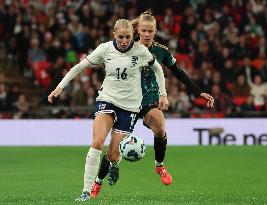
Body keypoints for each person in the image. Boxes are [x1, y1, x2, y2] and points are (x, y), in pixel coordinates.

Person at [90, 11, 214, 198]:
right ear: (137, 31)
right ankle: (98, 182)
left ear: (155, 31)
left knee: (160, 126)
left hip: (149, 100)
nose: (147, 34)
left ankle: (159, 166)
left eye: (151, 31)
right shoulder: (127, 49)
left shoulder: (161, 51)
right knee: (112, 153)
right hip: (127, 102)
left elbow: (178, 72)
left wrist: (198, 92)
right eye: (144, 30)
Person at [47, 19, 168, 201]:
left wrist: (163, 94)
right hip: (107, 100)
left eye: (128, 37)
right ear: (114, 35)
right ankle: (85, 192)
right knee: (97, 141)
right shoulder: (105, 49)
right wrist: (60, 87)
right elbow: (80, 66)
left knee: (112, 155)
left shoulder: (140, 51)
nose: (124, 40)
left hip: (129, 108)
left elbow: (158, 69)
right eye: (120, 37)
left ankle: (115, 164)